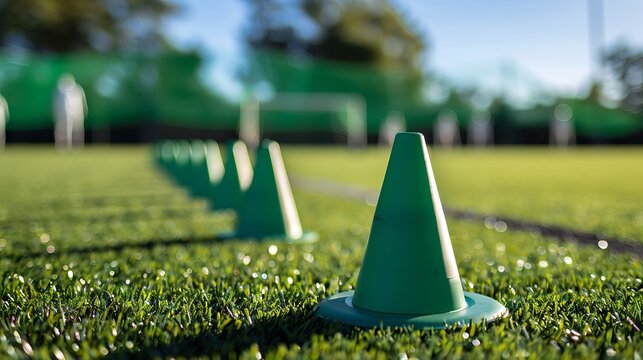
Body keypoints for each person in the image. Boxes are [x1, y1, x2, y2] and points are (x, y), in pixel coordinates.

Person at [53, 74, 87, 149]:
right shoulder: (59, 91)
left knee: (77, 130)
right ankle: (63, 146)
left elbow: (82, 102)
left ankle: (77, 145)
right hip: (63, 114)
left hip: (77, 113)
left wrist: (83, 111)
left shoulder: (78, 89)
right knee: (62, 130)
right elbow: (55, 104)